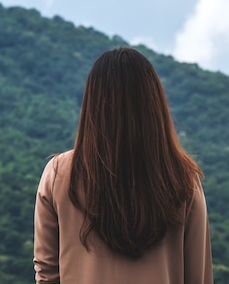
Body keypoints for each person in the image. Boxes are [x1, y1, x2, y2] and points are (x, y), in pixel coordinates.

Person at [33, 47, 213, 284]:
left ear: (92, 103)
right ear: (153, 104)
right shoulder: (182, 179)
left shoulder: (58, 174)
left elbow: (47, 275)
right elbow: (198, 277)